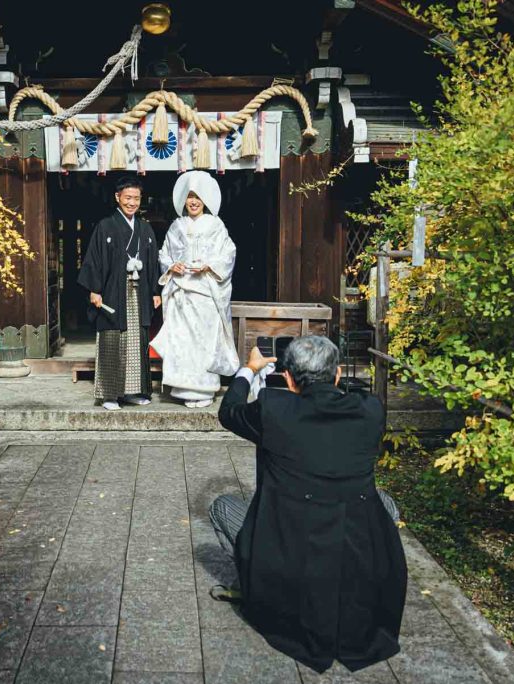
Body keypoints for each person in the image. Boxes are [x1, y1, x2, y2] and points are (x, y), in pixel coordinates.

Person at [211, 336, 407, 674]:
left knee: (222, 507)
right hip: (357, 551)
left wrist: (249, 369)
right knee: (384, 502)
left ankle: (253, 584)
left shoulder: (274, 408)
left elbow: (228, 412)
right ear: (338, 374)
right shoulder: (370, 411)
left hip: (292, 558)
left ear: (288, 379)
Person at [150, 171, 240, 408]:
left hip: (205, 292)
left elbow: (228, 253)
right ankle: (181, 388)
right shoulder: (176, 226)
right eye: (189, 196)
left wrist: (210, 265)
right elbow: (164, 253)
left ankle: (205, 388)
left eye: (198, 197)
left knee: (204, 342)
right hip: (181, 291)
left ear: (205, 200)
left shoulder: (216, 225)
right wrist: (171, 266)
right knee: (182, 342)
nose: (193, 201)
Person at [78, 176, 161, 410]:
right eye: (128, 198)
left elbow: (153, 262)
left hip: (139, 291)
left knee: (136, 341)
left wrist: (155, 291)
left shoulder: (145, 229)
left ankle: (132, 392)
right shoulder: (105, 226)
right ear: (118, 197)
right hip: (113, 291)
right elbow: (94, 259)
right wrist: (95, 289)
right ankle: (110, 395)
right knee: (112, 340)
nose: (132, 202)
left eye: (136, 198)